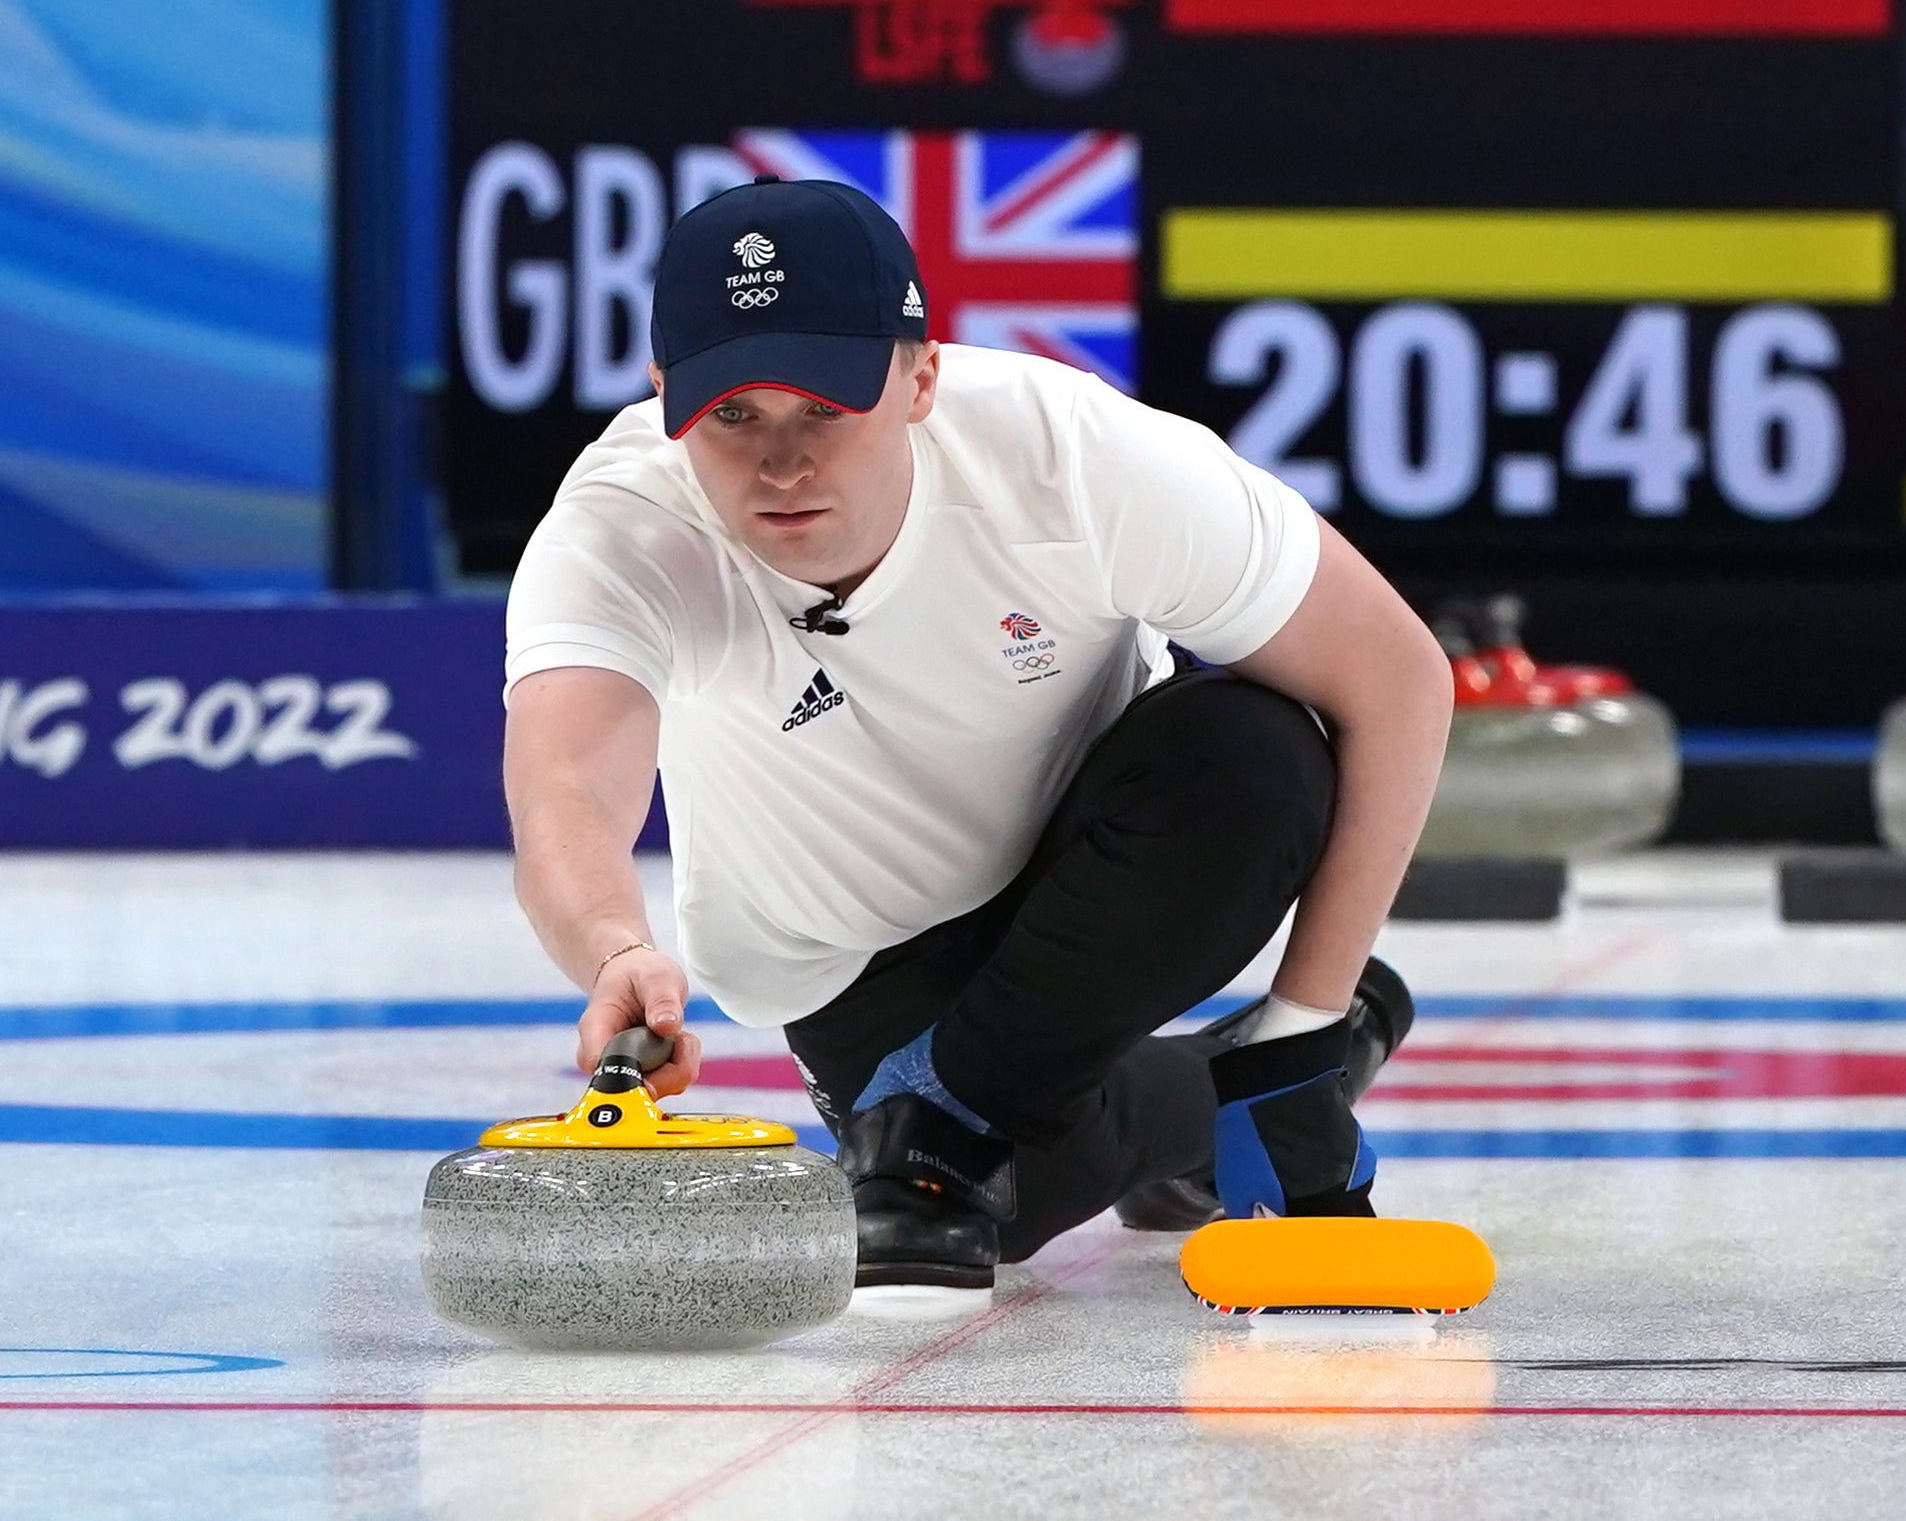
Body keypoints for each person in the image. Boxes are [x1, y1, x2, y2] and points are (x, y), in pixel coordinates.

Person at [500, 176, 1453, 1295]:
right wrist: (615, 947)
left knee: (1255, 757)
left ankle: (1052, 1091)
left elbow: (1397, 679)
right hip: (849, 951)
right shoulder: (620, 529)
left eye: (824, 405)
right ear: (665, 396)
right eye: (733, 415)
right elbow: (566, 782)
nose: (784, 462)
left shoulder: (1076, 457)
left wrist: (1303, 1023)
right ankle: (1188, 1096)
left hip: (1099, 862)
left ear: (922, 376)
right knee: (1024, 1191)